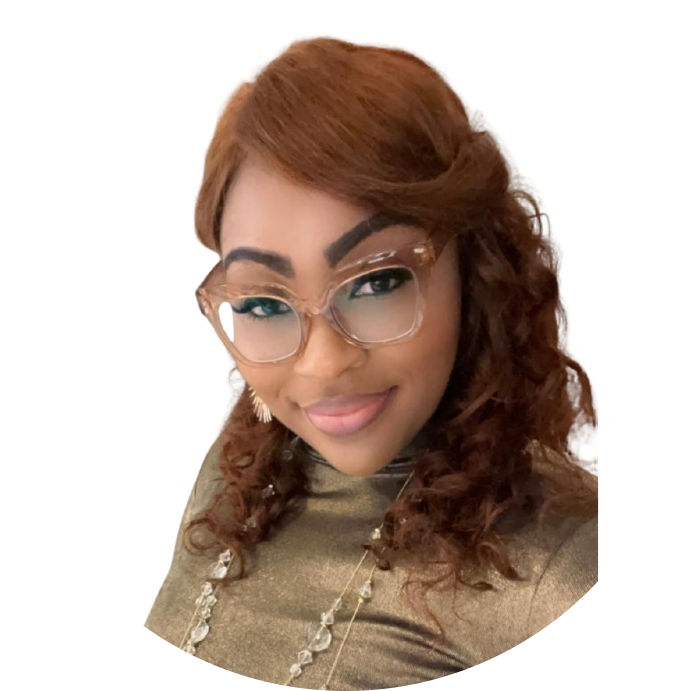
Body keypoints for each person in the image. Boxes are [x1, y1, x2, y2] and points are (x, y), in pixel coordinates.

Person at [145, 37, 639, 689]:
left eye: (376, 283)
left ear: (476, 268)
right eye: (263, 302)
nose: (322, 363)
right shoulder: (241, 472)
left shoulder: (563, 564)